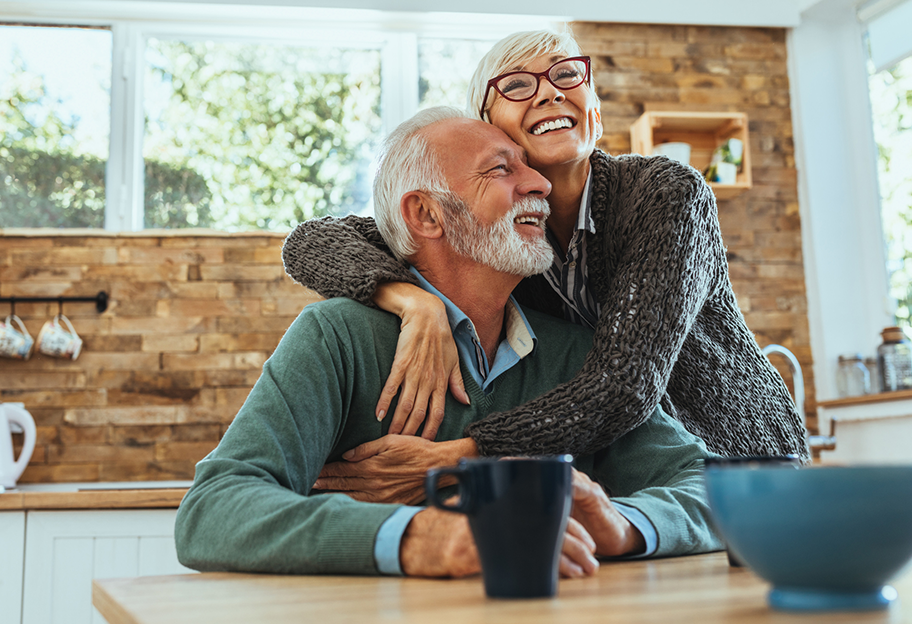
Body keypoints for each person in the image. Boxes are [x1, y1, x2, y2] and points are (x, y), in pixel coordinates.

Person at [174, 108, 722, 578]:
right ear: (426, 214)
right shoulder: (337, 337)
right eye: (502, 170)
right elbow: (213, 510)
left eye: (529, 167)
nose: (540, 184)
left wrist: (622, 525)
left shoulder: (576, 354)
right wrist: (420, 537)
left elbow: (708, 487)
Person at [281, 30, 808, 500]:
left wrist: (459, 455)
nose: (550, 91)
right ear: (489, 129)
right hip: (626, 479)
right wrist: (412, 301)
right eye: (516, 85)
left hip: (737, 459)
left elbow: (624, 385)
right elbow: (312, 241)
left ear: (594, 111)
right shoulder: (496, 234)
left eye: (565, 75)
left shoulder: (666, 195)